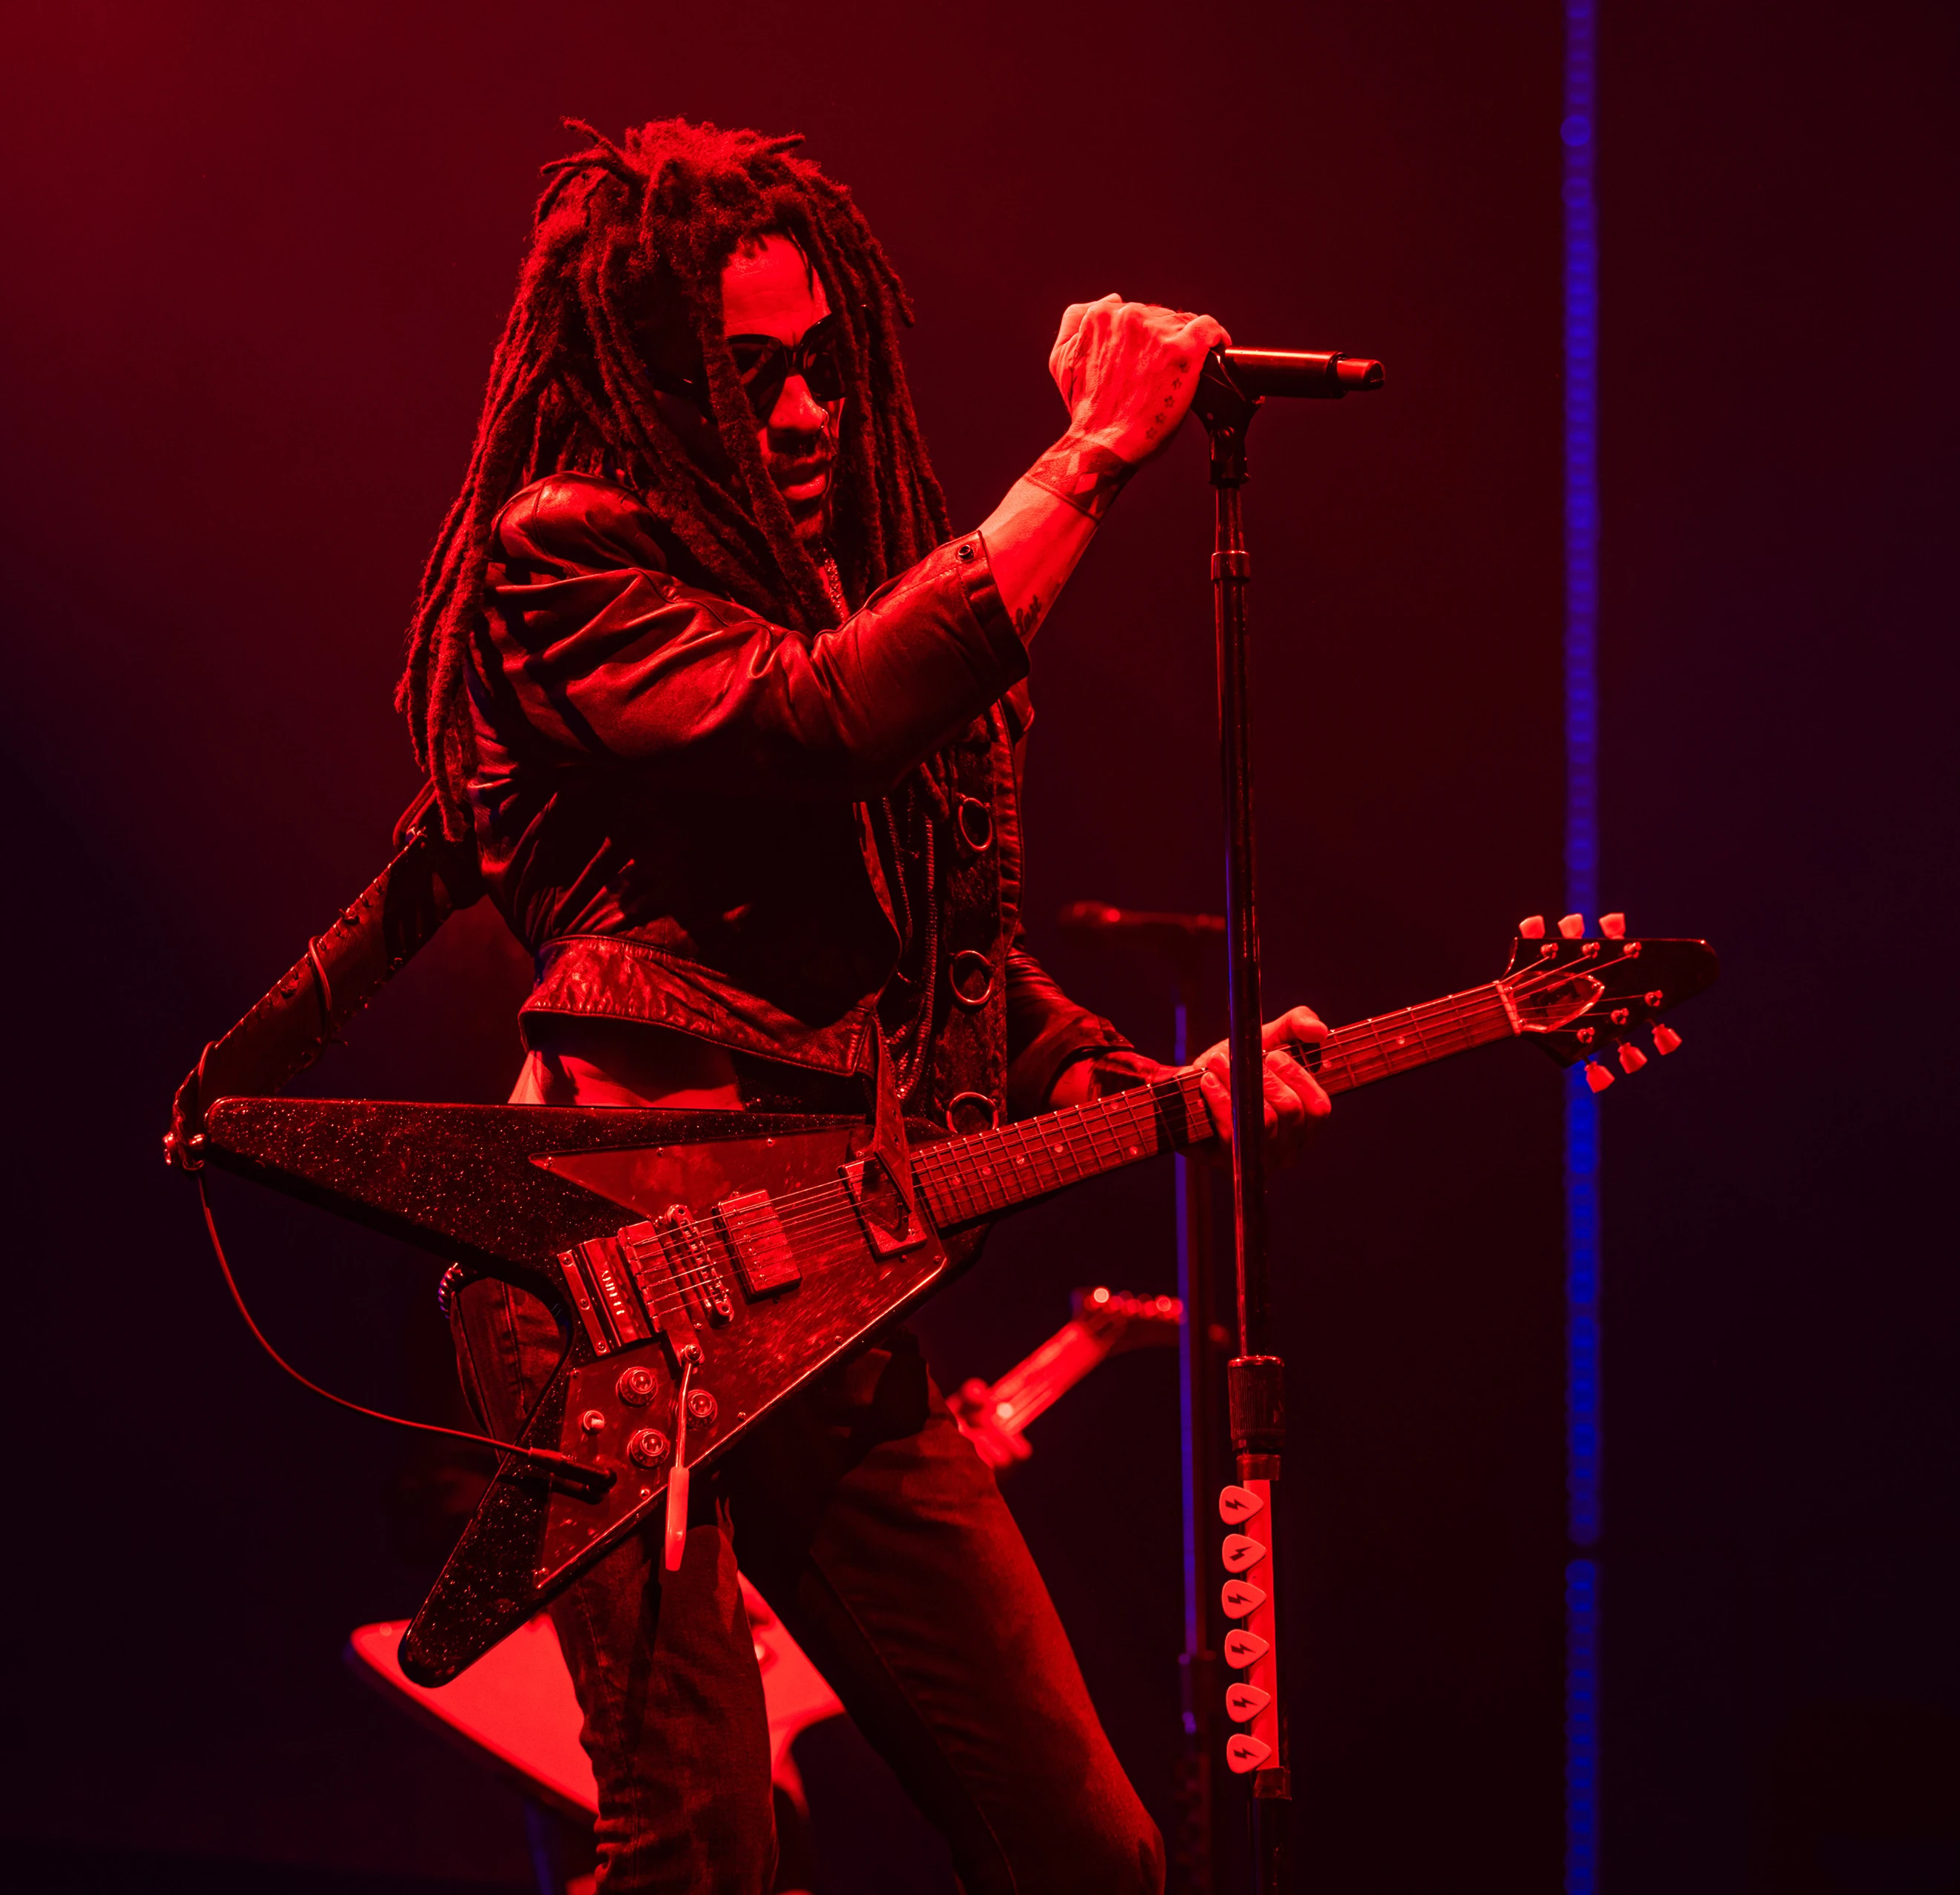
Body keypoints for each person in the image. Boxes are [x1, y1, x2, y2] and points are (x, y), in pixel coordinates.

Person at [392, 118, 1332, 1895]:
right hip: (612, 1283)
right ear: (653, 390)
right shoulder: (564, 560)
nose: (814, 415)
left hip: (830, 1295)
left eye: (824, 365)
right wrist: (1094, 453)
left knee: (1089, 1852)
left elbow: (927, 955)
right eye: (754, 381)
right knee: (702, 1850)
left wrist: (1150, 1079)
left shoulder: (810, 584)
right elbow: (821, 716)